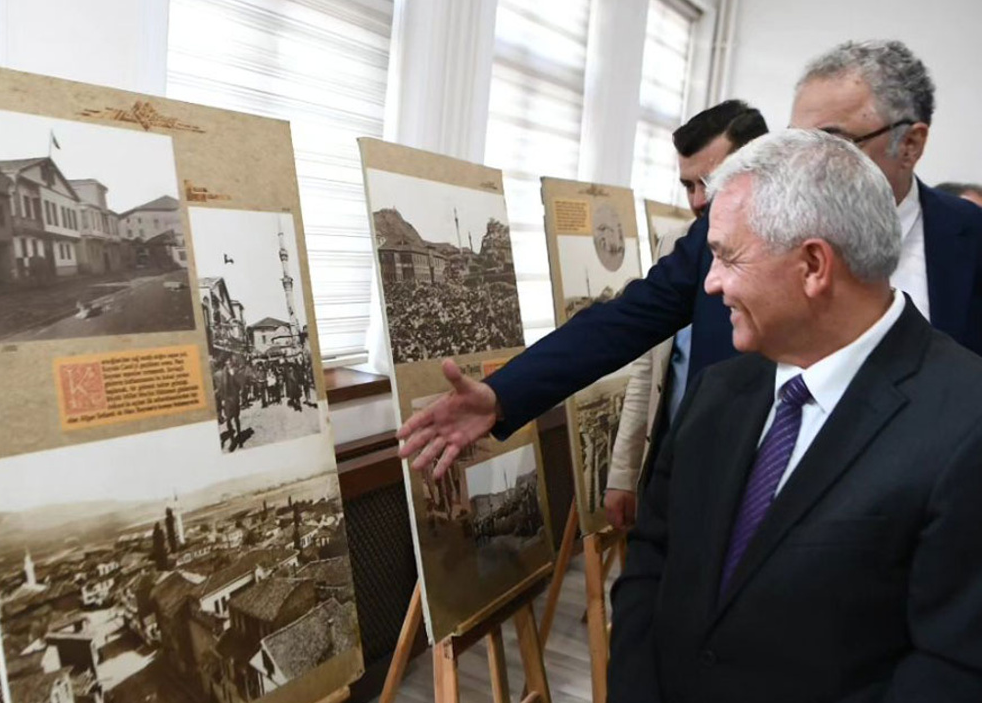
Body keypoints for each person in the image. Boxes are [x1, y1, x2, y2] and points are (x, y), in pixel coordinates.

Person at [399, 39, 982, 481]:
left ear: (911, 143)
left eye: (830, 141)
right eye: (795, 140)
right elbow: (626, 320)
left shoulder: (968, 244)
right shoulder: (730, 230)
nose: (805, 162)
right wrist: (506, 393)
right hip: (737, 499)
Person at [608, 128, 982, 703]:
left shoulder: (966, 424)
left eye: (728, 256)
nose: (711, 283)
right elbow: (654, 557)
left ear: (813, 265)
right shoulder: (718, 392)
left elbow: (952, 671)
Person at [605, 100, 768, 530]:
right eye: (687, 186)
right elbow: (648, 369)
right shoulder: (673, 248)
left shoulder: (778, 260)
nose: (698, 201)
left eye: (708, 184)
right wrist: (623, 472)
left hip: (742, 472)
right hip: (668, 458)